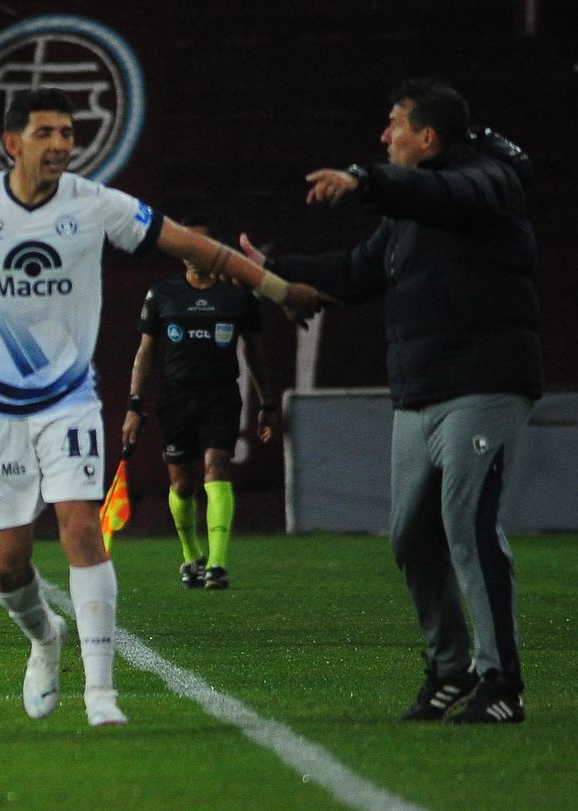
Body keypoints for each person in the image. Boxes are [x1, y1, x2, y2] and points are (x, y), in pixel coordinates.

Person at [0, 88, 330, 726]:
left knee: (81, 528)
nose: (60, 145)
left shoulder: (97, 204)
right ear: (12, 143)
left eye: (67, 133)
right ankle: (44, 637)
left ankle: (101, 694)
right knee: (5, 568)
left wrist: (274, 288)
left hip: (70, 398)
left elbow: (194, 248)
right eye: (45, 133)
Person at [240, 79, 541, 723]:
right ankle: (452, 668)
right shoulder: (410, 209)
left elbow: (444, 194)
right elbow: (358, 271)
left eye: (394, 124)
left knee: (467, 522)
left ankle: (502, 683)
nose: (384, 135)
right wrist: (270, 271)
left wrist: (362, 178)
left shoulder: (488, 180)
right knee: (410, 536)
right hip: (419, 389)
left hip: (483, 384)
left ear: (427, 137)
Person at [122, 217, 276, 591]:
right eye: (186, 244)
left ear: (216, 250)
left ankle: (218, 565)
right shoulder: (162, 294)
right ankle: (191, 556)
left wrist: (267, 402)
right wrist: (134, 405)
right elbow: (146, 352)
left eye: (201, 244)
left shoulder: (236, 298)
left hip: (220, 395)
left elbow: (254, 351)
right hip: (176, 397)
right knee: (182, 484)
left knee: (217, 466)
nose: (192, 251)